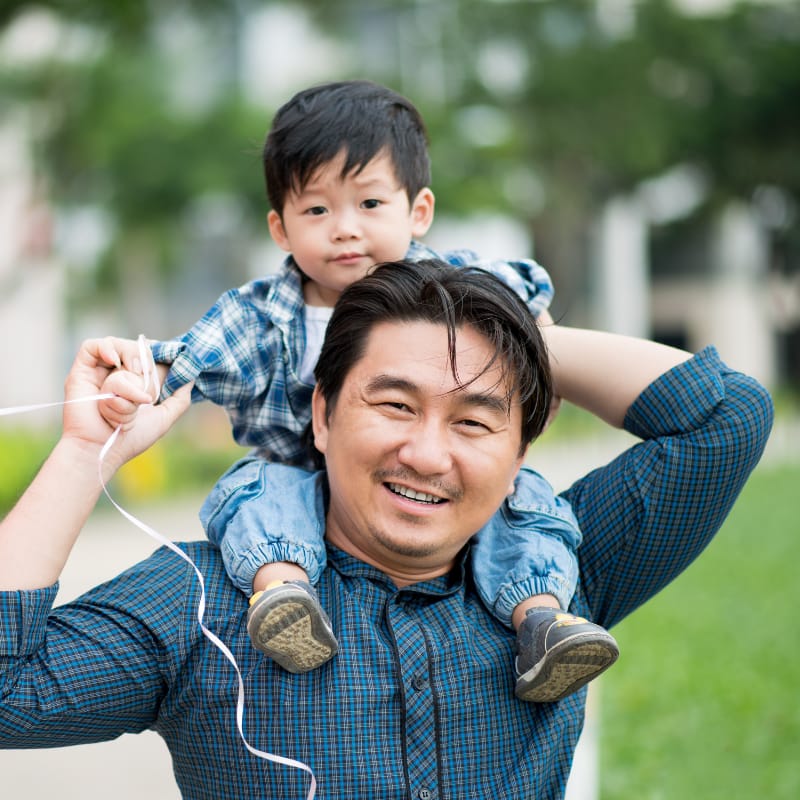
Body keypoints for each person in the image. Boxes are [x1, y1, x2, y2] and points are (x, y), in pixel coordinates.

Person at [0, 260, 773, 799]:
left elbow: (725, 418)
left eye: (475, 420)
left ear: (520, 453)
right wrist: (80, 455)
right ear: (324, 414)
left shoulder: (564, 574)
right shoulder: (202, 599)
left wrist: (511, 333)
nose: (427, 453)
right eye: (396, 405)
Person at [100, 79, 616, 702]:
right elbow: (194, 355)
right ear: (281, 229)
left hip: (419, 475)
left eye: (369, 205)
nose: (345, 230)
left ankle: (541, 619)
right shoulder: (264, 315)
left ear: (417, 212)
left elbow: (531, 314)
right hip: (297, 473)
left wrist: (540, 368)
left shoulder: (457, 286)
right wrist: (141, 379)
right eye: (317, 211)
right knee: (251, 494)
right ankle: (285, 598)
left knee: (526, 504)